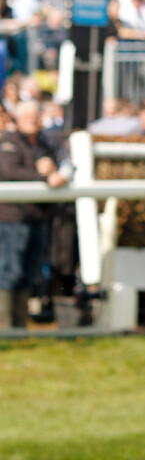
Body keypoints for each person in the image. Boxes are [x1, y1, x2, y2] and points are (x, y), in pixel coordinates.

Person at [0, 100, 68, 328]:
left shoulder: (43, 142)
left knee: (29, 273)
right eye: (27, 114)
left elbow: (56, 168)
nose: (32, 118)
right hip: (12, 219)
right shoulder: (8, 142)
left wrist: (53, 170)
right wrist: (43, 176)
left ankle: (19, 326)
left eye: (35, 114)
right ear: (17, 118)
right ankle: (6, 327)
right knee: (10, 272)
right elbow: (9, 172)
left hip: (37, 218)